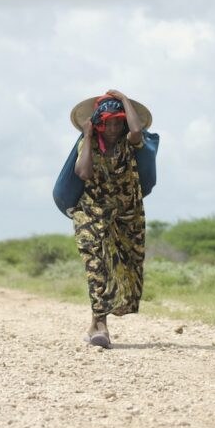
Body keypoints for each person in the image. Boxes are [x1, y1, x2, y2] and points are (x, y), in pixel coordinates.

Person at [71, 89, 150, 349]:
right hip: (92, 212)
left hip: (126, 213)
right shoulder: (89, 143)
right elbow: (83, 172)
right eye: (108, 122)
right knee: (97, 263)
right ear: (98, 122)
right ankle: (102, 325)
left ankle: (95, 321)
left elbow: (137, 132)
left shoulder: (130, 141)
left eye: (118, 121)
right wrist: (89, 135)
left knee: (126, 263)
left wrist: (126, 99)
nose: (114, 127)